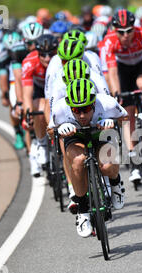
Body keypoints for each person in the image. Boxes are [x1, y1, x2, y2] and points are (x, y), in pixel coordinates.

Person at [52, 78, 127, 237]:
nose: (81, 115)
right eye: (76, 110)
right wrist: (60, 128)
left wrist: (112, 122)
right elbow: (49, 131)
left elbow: (125, 118)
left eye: (86, 109)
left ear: (93, 103)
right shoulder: (60, 109)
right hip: (76, 136)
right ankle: (83, 210)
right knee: (78, 161)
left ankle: (115, 183)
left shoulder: (107, 104)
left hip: (100, 132)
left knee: (107, 165)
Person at [101, 9, 142, 183]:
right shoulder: (109, 40)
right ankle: (133, 160)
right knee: (127, 114)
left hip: (141, 65)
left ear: (134, 28)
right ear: (114, 30)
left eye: (129, 30)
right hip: (123, 71)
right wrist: (116, 95)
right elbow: (112, 73)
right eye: (121, 32)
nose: (125, 35)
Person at [22, 34, 58, 171]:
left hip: (56, 88)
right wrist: (28, 113)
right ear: (37, 53)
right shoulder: (29, 62)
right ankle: (42, 143)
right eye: (43, 55)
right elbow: (27, 94)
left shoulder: (61, 60)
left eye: (51, 54)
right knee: (40, 108)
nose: (47, 58)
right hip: (39, 89)